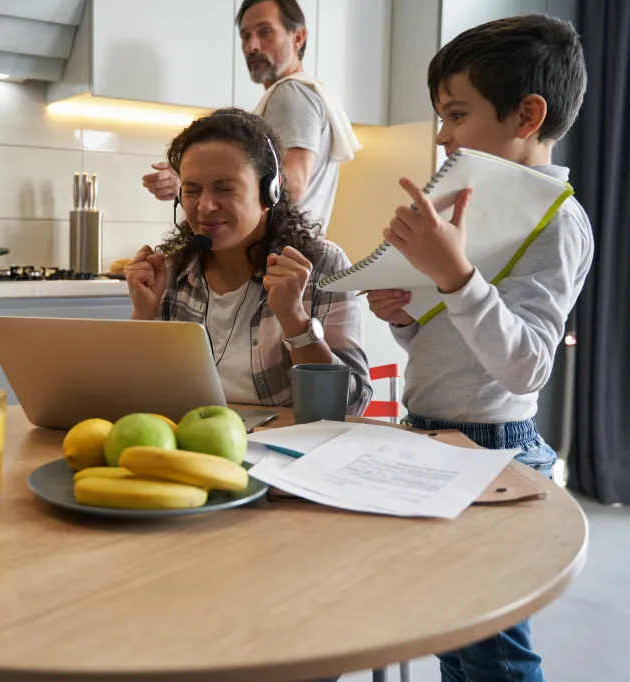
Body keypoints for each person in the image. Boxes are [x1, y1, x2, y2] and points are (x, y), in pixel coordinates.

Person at [365, 14, 591, 682]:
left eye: (455, 114)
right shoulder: (478, 206)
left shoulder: (558, 223)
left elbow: (524, 365)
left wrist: (456, 275)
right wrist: (405, 315)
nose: (441, 136)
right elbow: (455, 340)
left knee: (490, 651)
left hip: (492, 446)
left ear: (527, 114)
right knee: (454, 633)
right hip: (434, 437)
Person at [127, 108, 371, 416]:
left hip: (287, 452)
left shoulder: (322, 265)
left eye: (225, 188)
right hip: (189, 444)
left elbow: (351, 405)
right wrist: (142, 315)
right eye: (191, 190)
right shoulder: (172, 270)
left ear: (270, 190)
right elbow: (134, 397)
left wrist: (294, 318)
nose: (204, 206)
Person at [142, 0, 361, 237]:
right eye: (245, 36)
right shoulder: (302, 93)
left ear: (298, 37)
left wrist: (197, 182)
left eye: (265, 32)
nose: (252, 46)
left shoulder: (290, 94)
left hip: (278, 258)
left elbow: (293, 186)